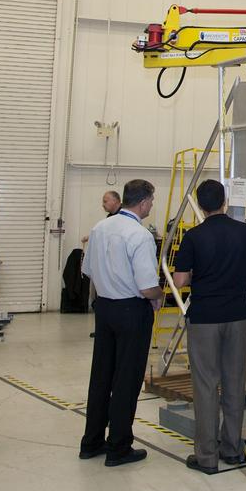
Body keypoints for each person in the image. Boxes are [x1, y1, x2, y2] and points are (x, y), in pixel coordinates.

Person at [172, 179, 246, 473]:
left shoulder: (193, 237)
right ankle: (233, 449)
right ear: (224, 202)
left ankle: (207, 457)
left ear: (201, 205)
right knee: (235, 382)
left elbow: (180, 280)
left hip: (204, 319)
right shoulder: (245, 232)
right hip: (237, 316)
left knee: (206, 385)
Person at [80, 178, 163, 468]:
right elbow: (146, 286)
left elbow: (88, 268)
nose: (152, 205)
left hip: (104, 309)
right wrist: (159, 295)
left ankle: (91, 442)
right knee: (127, 380)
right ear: (142, 202)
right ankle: (119, 446)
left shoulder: (100, 228)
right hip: (131, 311)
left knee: (101, 377)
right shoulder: (140, 236)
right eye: (151, 200)